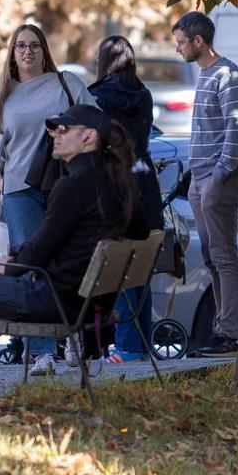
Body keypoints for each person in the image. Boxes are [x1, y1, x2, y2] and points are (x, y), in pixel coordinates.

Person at [0, 105, 146, 409]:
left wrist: (9, 266)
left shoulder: (73, 186)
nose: (55, 135)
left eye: (64, 130)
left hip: (51, 298)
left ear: (88, 137)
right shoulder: (118, 184)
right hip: (84, 302)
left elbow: (38, 252)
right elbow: (142, 232)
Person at [0, 24, 97, 376]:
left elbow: (96, 124)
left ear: (44, 51)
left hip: (65, 186)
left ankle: (73, 337)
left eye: (34, 46)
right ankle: (41, 352)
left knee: (71, 261)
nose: (27, 52)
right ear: (12, 54)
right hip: (19, 193)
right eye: (20, 46)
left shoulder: (67, 84)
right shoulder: (2, 97)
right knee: (30, 267)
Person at [173, 11, 238, 356]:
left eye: (180, 43)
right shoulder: (205, 75)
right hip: (200, 179)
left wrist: (219, 177)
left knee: (224, 256)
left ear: (198, 41)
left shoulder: (227, 74)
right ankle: (221, 330)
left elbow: (236, 133)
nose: (178, 50)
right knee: (211, 258)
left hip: (219, 181)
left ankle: (230, 334)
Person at [87, 36, 163, 363]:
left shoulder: (96, 97)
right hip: (145, 180)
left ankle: (126, 346)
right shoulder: (144, 95)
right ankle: (140, 343)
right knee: (141, 265)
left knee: (116, 266)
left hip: (115, 181)